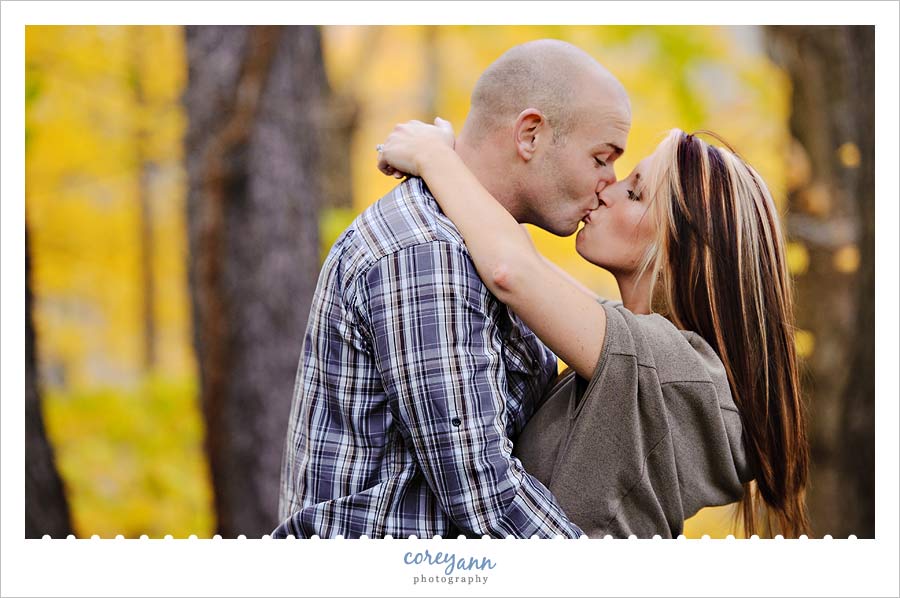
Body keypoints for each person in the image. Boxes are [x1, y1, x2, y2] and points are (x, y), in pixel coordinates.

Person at [375, 120, 811, 538]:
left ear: (679, 252)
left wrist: (434, 158)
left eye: (636, 193)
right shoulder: (641, 351)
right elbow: (525, 261)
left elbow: (512, 271)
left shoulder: (672, 370)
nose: (608, 190)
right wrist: (462, 162)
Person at [272, 39, 631, 538]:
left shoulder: (488, 247)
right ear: (530, 135)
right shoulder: (427, 254)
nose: (609, 183)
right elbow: (485, 497)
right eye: (600, 158)